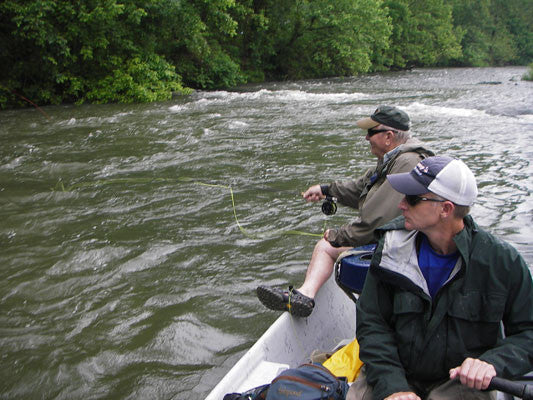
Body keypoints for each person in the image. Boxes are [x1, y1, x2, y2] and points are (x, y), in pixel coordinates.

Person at [348, 156, 533, 400]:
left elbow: (528, 333)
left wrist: (491, 364)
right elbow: (372, 324)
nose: (402, 204)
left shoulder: (502, 262)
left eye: (413, 199)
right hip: (394, 371)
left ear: (446, 209)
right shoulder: (390, 250)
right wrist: (393, 387)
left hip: (459, 383)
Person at [256, 105, 434, 317]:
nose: (366, 138)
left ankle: (304, 296)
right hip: (399, 242)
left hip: (406, 249)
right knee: (330, 244)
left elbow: (377, 220)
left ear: (388, 136)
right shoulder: (395, 159)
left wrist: (337, 236)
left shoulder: (407, 162)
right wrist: (326, 190)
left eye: (371, 132)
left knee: (325, 246)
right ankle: (303, 296)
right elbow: (361, 188)